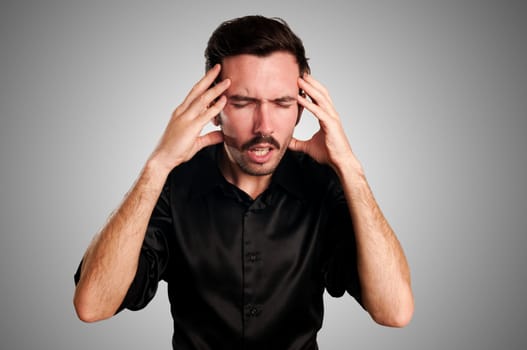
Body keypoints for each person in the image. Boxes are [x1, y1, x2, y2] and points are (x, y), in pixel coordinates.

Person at [73, 15, 414, 349]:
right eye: (242, 102)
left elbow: (395, 312)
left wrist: (350, 169)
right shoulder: (174, 184)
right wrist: (158, 165)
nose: (264, 125)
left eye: (282, 103)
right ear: (211, 105)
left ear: (302, 107)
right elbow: (93, 306)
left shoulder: (323, 184)